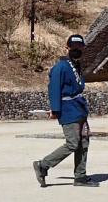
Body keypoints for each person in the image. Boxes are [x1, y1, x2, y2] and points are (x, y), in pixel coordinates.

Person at [32, 34, 97, 187]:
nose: (77, 50)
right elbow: (54, 88)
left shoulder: (76, 65)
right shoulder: (61, 66)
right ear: (67, 48)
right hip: (68, 109)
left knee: (84, 142)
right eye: (74, 47)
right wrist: (55, 110)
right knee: (73, 143)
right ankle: (43, 165)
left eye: (80, 47)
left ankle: (80, 176)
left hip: (79, 108)